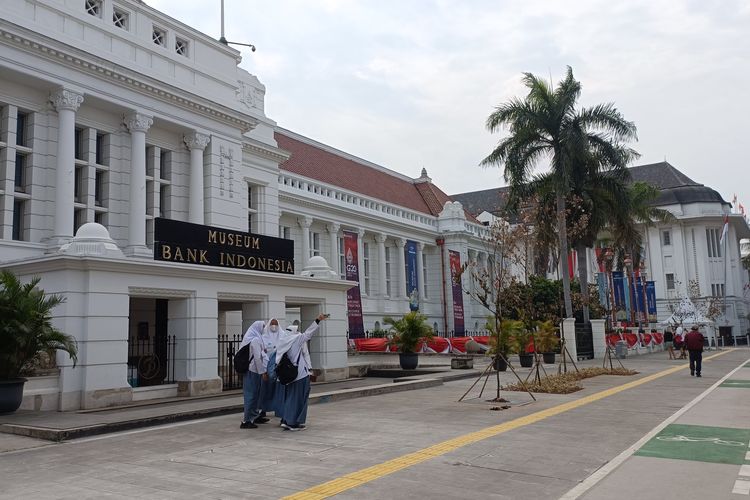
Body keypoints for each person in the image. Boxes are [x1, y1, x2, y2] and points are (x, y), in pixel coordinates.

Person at [276, 313, 328, 431]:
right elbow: (308, 333)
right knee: (298, 399)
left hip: (288, 376)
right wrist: (317, 320)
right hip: (299, 375)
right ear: (294, 332)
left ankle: (287, 420)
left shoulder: (282, 341)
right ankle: (292, 422)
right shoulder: (296, 339)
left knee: (290, 398)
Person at [239, 320, 269, 429]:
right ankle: (247, 420)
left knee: (255, 395)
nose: (264, 328)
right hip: (253, 371)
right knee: (251, 396)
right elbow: (257, 358)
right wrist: (263, 372)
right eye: (263, 326)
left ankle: (254, 416)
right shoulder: (255, 340)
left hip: (255, 371)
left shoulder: (256, 338)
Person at [260, 318, 284, 419]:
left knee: (278, 390)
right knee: (266, 390)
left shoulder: (283, 336)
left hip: (279, 367)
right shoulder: (263, 337)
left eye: (276, 324)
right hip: (267, 367)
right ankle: (263, 409)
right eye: (272, 324)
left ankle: (278, 409)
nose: (274, 326)